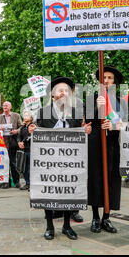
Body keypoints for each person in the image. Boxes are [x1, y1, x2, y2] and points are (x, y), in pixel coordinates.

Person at [36, 76, 92, 240]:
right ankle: (49, 226)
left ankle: (67, 225)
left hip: (70, 161)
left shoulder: (75, 113)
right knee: (49, 192)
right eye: (61, 90)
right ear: (53, 94)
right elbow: (40, 134)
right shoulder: (43, 112)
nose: (64, 93)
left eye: (67, 91)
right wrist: (34, 131)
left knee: (69, 191)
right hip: (49, 162)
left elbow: (78, 133)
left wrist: (85, 132)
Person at [85, 65, 128, 234]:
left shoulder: (121, 101)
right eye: (104, 78)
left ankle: (107, 217)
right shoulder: (92, 98)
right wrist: (97, 106)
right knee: (96, 179)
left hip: (112, 144)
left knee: (111, 179)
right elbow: (88, 120)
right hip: (96, 143)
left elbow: (124, 123)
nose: (107, 81)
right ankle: (95, 217)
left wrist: (114, 126)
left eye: (110, 78)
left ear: (114, 81)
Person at [0, 101, 22, 188]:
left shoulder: (16, 115)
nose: (4, 106)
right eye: (3, 105)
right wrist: (0, 128)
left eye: (6, 105)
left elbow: (21, 127)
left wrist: (16, 131)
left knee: (14, 162)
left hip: (13, 142)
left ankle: (17, 181)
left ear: (10, 107)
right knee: (4, 163)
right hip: (3, 143)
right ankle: (6, 182)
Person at [18, 110, 36, 190]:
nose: (25, 116)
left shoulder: (33, 126)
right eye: (24, 115)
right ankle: (27, 183)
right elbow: (19, 136)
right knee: (24, 167)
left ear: (31, 117)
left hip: (31, 149)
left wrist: (23, 142)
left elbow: (30, 136)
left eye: (27, 115)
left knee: (30, 167)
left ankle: (32, 184)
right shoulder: (22, 127)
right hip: (24, 150)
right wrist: (19, 142)